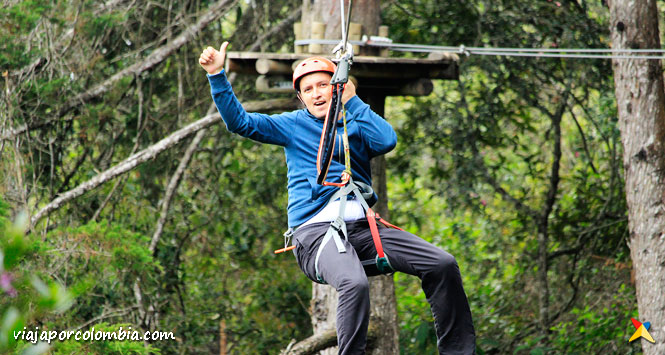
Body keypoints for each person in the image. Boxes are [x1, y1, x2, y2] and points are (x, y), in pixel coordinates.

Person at [199, 42, 476, 354]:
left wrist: (352, 99)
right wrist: (217, 75)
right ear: (301, 97)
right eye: (309, 89)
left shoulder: (354, 122)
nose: (317, 93)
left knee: (442, 263)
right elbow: (241, 123)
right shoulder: (292, 125)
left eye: (323, 85)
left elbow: (387, 140)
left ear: (336, 88)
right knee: (353, 284)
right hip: (315, 236)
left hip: (363, 231)